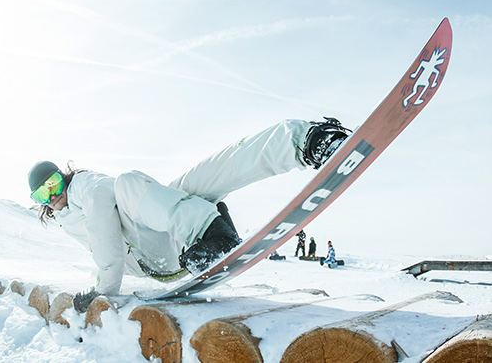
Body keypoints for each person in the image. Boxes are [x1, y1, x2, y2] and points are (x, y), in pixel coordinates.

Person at [29, 118, 352, 310]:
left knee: (207, 173)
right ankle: (212, 228)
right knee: (138, 185)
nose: (54, 194)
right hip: (157, 257)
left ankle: (307, 140)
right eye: (43, 193)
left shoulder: (87, 185)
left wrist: (105, 289)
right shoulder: (66, 217)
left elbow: (104, 226)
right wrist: (100, 289)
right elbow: (104, 242)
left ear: (66, 175)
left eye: (55, 183)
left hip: (169, 244)